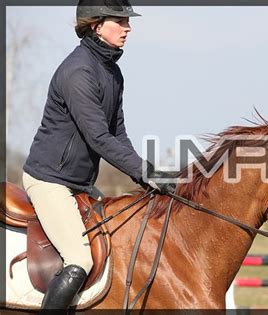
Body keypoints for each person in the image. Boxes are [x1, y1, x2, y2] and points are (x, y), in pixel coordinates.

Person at [22, 1, 172, 310]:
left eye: (127, 21)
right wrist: (146, 171)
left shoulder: (111, 72)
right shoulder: (78, 71)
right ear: (96, 25)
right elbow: (99, 138)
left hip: (79, 184)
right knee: (79, 259)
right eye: (120, 21)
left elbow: (118, 134)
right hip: (50, 181)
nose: (128, 28)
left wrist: (144, 177)